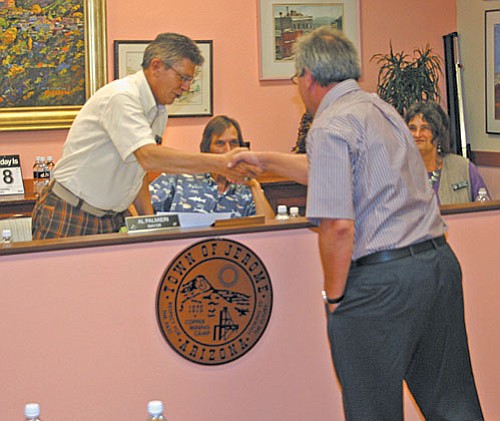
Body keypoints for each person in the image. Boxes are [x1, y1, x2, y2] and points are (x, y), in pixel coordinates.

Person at [229, 27, 483, 420]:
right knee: (452, 403)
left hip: (382, 283)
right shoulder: (380, 109)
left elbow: (338, 227)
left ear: (310, 77)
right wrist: (265, 161)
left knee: (371, 409)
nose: (298, 86)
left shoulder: (329, 125)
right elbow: (338, 171)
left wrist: (335, 298)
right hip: (437, 267)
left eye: (297, 78)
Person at [31, 33, 257, 239]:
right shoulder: (122, 98)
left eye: (189, 80)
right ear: (156, 66)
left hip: (110, 219)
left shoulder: (158, 112)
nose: (186, 87)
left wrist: (152, 224)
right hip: (72, 213)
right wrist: (220, 163)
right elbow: (149, 157)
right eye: (182, 78)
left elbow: (138, 171)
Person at [149, 115, 274, 219]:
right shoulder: (180, 177)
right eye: (220, 143)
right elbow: (141, 214)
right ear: (207, 148)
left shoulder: (246, 189)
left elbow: (269, 229)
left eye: (233, 143)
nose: (228, 150)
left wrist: (254, 185)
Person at [406, 101, 490, 204]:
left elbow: (485, 209)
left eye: (425, 128)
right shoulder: (399, 170)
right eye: (412, 128)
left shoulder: (463, 167)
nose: (417, 134)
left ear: (439, 133)